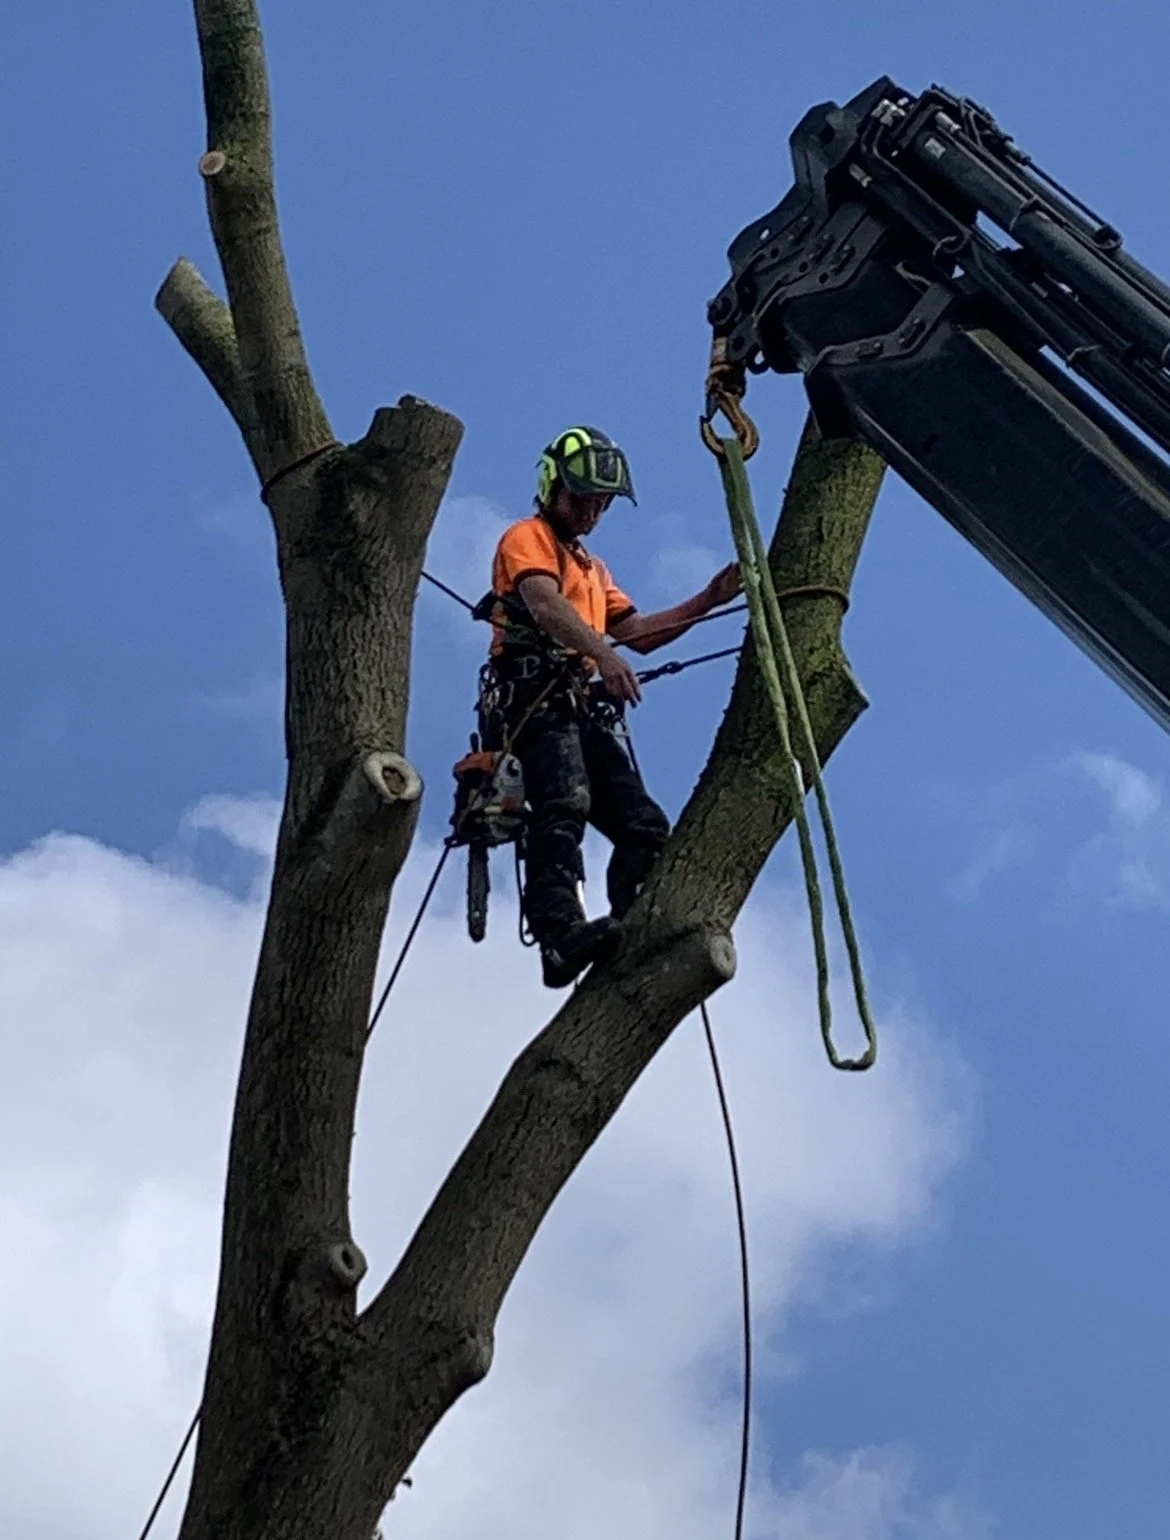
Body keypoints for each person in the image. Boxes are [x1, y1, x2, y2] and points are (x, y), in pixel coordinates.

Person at [484, 426, 741, 988]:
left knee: (643, 823)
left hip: (574, 707)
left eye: (601, 503)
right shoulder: (528, 539)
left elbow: (641, 633)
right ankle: (558, 935)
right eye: (583, 499)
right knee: (564, 803)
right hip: (532, 701)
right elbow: (544, 605)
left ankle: (637, 920)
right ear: (553, 488)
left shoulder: (592, 570)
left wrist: (709, 600)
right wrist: (603, 656)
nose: (592, 513)